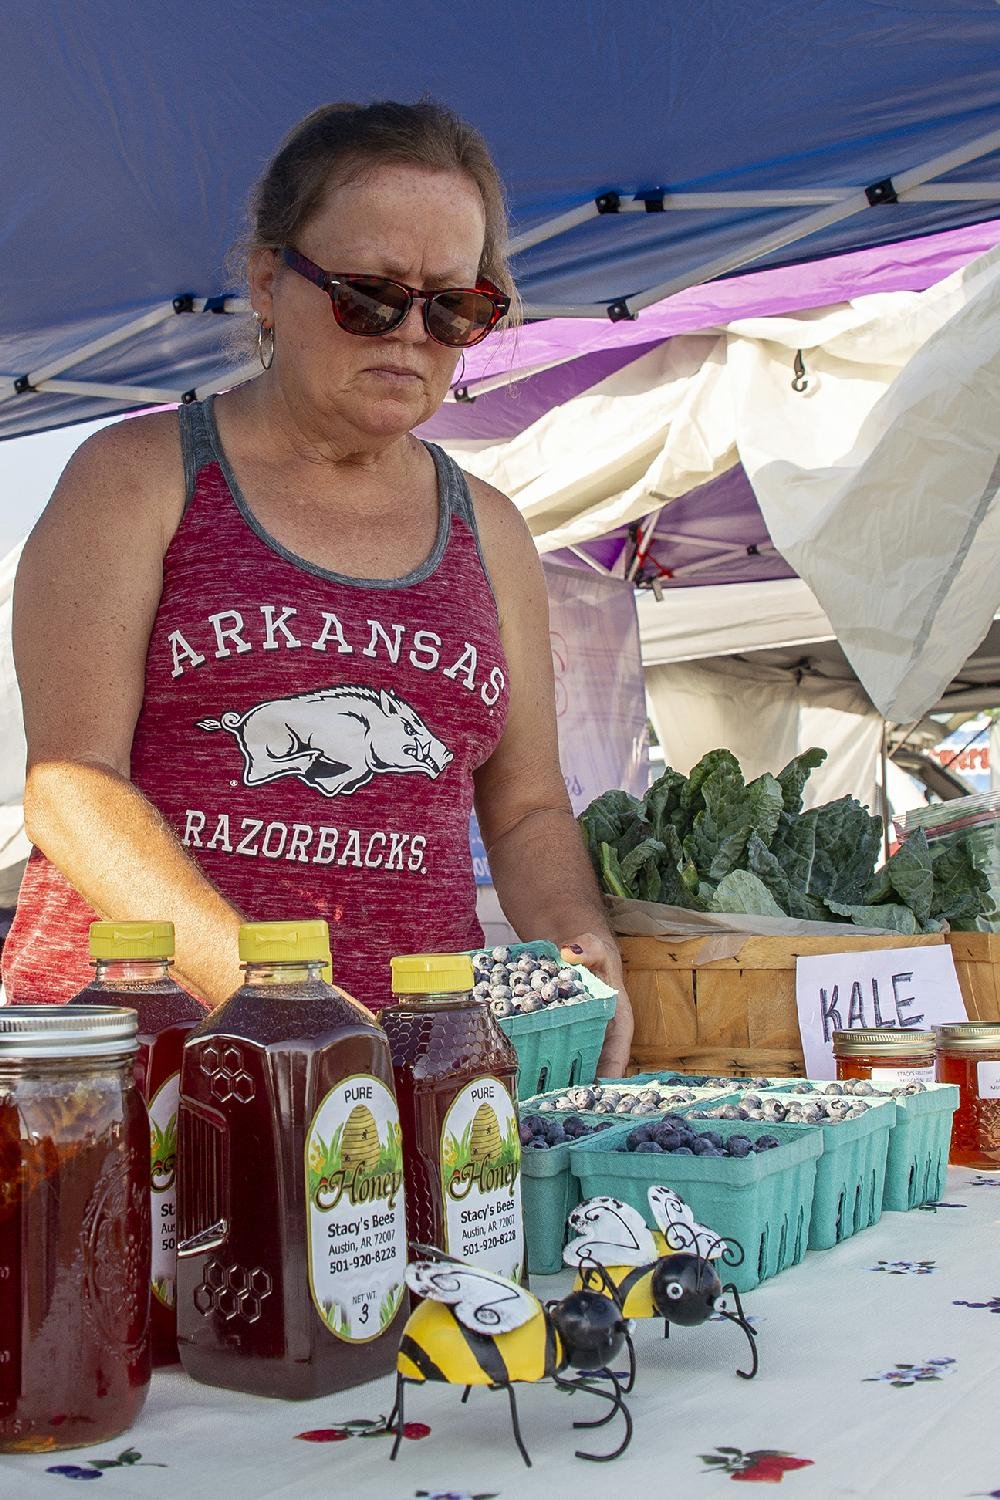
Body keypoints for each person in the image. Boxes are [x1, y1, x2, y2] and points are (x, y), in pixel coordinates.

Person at [3, 99, 633, 1075]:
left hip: (414, 1064)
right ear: (266, 281)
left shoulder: (490, 530)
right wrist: (280, 1010)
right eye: (370, 297)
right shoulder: (139, 478)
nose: (414, 334)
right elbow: (72, 792)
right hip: (145, 1058)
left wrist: (579, 950)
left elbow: (526, 809)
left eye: (457, 306)